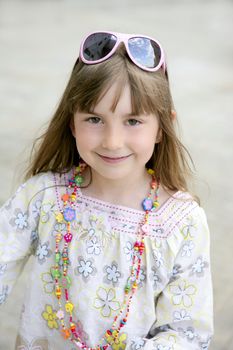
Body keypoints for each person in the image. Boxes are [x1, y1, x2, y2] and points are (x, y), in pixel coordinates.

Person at [0, 31, 213, 350]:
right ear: (72, 123)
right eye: (95, 119)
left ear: (161, 128)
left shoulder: (182, 222)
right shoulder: (43, 197)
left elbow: (188, 333)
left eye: (133, 121)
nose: (112, 141)